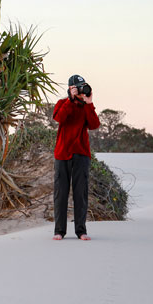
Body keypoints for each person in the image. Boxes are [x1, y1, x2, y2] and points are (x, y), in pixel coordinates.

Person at [52, 74, 101, 241]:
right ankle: (59, 231)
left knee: (80, 193)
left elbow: (94, 125)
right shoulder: (61, 104)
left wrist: (89, 104)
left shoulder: (86, 106)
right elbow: (60, 118)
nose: (82, 90)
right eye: (78, 88)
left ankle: (81, 231)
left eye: (83, 87)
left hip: (81, 154)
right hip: (62, 154)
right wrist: (70, 100)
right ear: (71, 88)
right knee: (61, 194)